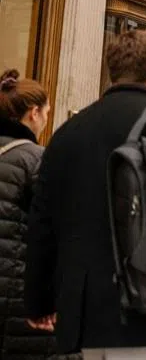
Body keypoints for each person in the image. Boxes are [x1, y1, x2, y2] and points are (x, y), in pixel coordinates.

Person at [25, 29, 146, 359]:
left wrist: (39, 301)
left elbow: (42, 222)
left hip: (81, 308)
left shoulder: (69, 130)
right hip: (143, 296)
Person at [0, 70, 80, 360]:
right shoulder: (37, 160)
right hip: (20, 297)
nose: (47, 117)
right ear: (34, 113)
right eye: (47, 111)